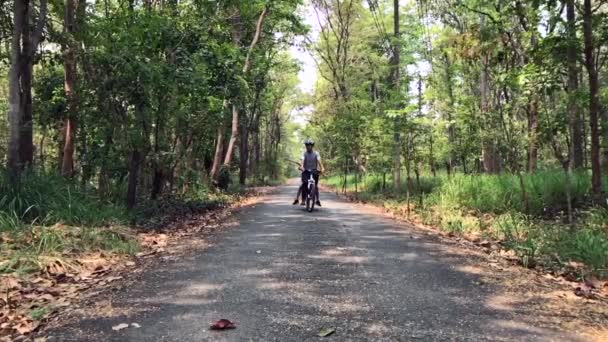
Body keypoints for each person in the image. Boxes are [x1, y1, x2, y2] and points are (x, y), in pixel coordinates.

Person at [293, 139, 324, 206]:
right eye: (307, 145)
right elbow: (302, 161)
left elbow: (319, 162)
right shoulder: (304, 154)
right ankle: (299, 199)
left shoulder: (316, 153)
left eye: (310, 145)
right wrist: (301, 167)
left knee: (315, 186)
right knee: (303, 184)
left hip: (314, 171)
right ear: (306, 146)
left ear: (312, 146)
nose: (308, 147)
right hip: (306, 171)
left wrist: (322, 168)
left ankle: (317, 200)